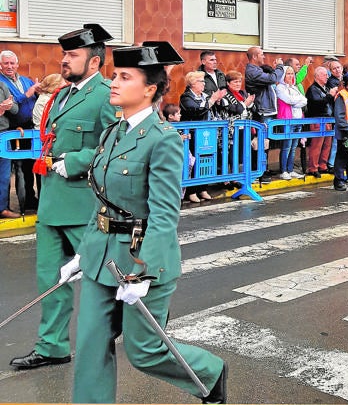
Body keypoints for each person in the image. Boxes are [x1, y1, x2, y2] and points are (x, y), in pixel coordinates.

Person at [62, 42, 227, 403]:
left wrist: (145, 272)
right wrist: (81, 254)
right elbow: (104, 201)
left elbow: (165, 213)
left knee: (145, 351)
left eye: (124, 76)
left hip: (139, 260)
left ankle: (209, 373)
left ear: (149, 89)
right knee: (90, 346)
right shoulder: (112, 133)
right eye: (114, 75)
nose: (114, 83)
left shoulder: (163, 140)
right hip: (100, 258)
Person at [10, 24, 117, 370]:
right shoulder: (63, 94)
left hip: (86, 204)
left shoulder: (106, 94)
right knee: (51, 282)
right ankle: (53, 346)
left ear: (95, 60)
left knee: (108, 280)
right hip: (53, 203)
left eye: (73, 55)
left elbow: (113, 147)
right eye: (64, 54)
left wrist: (76, 161)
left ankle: (139, 337)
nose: (64, 60)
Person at [1, 49, 38, 212]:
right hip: (13, 130)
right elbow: (11, 106)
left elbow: (35, 98)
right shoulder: (1, 83)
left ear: (17, 64)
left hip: (31, 128)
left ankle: (30, 200)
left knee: (30, 166)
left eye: (12, 63)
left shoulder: (26, 80)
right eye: (5, 63)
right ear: (0, 66)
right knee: (15, 168)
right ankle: (15, 204)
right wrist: (26, 94)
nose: (9, 66)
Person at [179, 71, 224, 203]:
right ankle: (191, 191)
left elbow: (215, 108)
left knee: (207, 158)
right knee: (194, 161)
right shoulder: (186, 97)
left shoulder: (205, 96)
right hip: (193, 134)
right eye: (201, 81)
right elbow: (197, 111)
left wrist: (218, 100)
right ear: (193, 84)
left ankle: (202, 188)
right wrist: (212, 100)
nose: (204, 84)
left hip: (208, 133)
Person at [244, 47, 284, 183]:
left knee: (265, 142)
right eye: (262, 54)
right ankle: (258, 172)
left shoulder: (258, 70)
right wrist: (279, 67)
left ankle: (263, 169)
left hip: (267, 110)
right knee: (259, 142)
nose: (264, 56)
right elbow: (273, 78)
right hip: (262, 111)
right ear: (254, 57)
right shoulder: (252, 71)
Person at [275, 65, 307, 180]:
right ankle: (283, 170)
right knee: (286, 147)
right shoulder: (280, 88)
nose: (291, 76)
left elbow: (304, 100)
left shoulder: (294, 87)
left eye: (292, 73)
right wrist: (296, 101)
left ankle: (290, 169)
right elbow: (289, 100)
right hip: (287, 121)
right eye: (288, 73)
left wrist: (295, 101)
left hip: (298, 119)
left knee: (293, 147)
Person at [305, 66, 337, 178]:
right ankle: (313, 167)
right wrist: (330, 95)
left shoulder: (324, 88)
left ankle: (323, 165)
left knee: (327, 144)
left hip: (327, 119)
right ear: (317, 76)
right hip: (317, 119)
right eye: (324, 75)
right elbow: (317, 103)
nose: (327, 77)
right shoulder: (313, 89)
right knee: (316, 145)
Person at [0, 79, 19, 218]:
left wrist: (10, 105)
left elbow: (16, 109)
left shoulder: (2, 86)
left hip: (4, 135)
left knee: (4, 176)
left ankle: (2, 208)